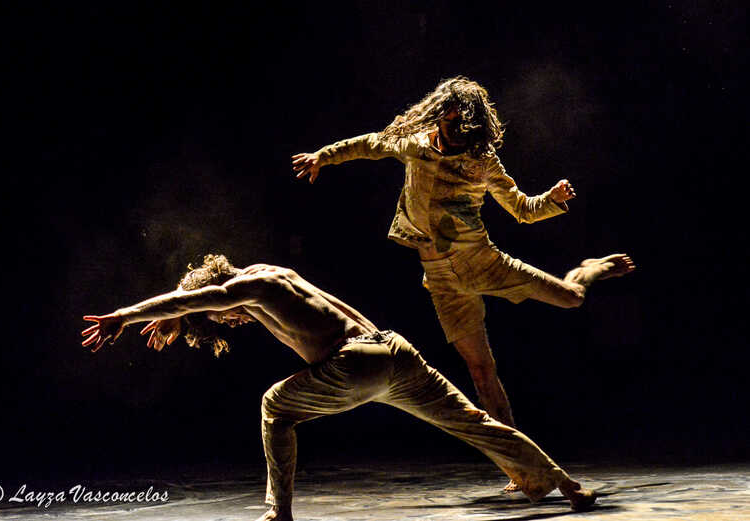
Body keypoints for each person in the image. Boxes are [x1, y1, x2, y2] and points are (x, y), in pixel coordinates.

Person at [82, 254, 596, 521]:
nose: (231, 321)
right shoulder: (275, 274)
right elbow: (195, 298)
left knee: (274, 406)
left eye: (221, 316)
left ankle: (279, 512)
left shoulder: (251, 287)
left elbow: (195, 298)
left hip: (355, 364)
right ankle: (569, 486)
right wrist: (182, 313)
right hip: (395, 351)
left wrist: (123, 317)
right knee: (475, 425)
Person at [292, 75, 635, 442]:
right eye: (455, 125)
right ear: (444, 114)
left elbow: (522, 208)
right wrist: (323, 156)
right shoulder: (416, 144)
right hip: (442, 280)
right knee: (481, 371)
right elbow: (370, 144)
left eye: (467, 131)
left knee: (572, 297)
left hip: (485, 262)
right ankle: (515, 458)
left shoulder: (482, 160)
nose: (460, 138)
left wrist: (552, 199)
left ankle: (590, 269)